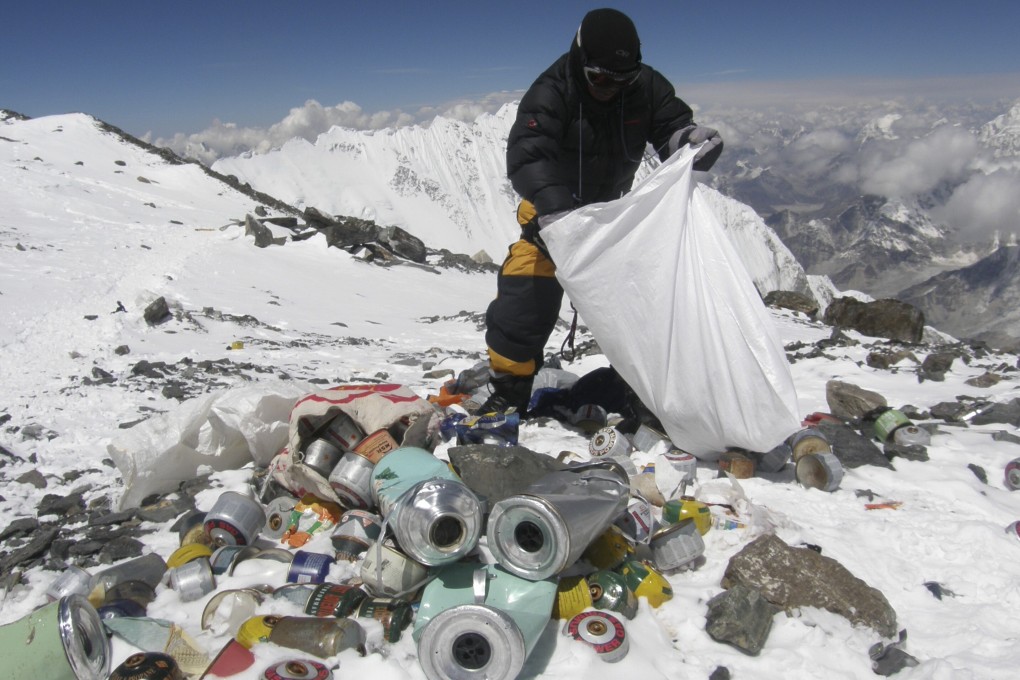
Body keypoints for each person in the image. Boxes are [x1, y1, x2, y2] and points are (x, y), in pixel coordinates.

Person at [478, 7, 724, 416]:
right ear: (579, 59)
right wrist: (557, 213)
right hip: (549, 224)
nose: (610, 87)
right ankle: (510, 391)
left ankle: (644, 393)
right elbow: (527, 156)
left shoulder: (645, 87)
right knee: (522, 305)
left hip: (613, 223)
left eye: (621, 79)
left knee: (646, 308)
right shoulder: (552, 91)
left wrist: (689, 141)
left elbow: (670, 127)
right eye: (600, 77)